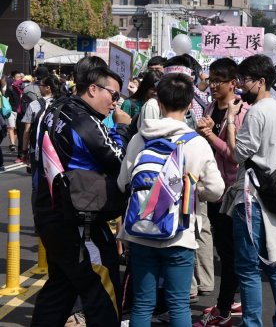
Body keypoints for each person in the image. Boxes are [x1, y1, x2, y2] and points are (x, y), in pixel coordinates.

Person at [118, 73, 225, 326]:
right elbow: (216, 189)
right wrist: (193, 190)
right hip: (180, 233)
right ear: (190, 105)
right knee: (178, 305)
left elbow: (123, 182)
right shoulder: (196, 143)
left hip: (140, 231)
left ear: (159, 103)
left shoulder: (139, 139)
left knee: (143, 304)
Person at [31, 67, 127, 327]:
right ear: (93, 88)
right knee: (103, 289)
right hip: (79, 222)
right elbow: (119, 161)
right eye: (114, 94)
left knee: (59, 290)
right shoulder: (86, 121)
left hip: (48, 212)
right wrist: (122, 128)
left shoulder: (50, 110)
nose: (115, 102)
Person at [230, 55, 276, 327]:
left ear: (261, 81)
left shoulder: (256, 112)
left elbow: (238, 154)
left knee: (248, 267)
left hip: (253, 196)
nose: (241, 85)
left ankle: (252, 323)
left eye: (245, 80)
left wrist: (232, 122)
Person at [194, 58, 249, 326]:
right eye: (211, 79)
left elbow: (234, 156)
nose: (213, 85)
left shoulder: (241, 112)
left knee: (229, 252)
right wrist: (200, 132)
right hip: (212, 188)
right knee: (223, 248)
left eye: (219, 80)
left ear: (233, 83)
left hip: (233, 190)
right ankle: (229, 301)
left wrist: (208, 136)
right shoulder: (210, 106)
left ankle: (224, 309)